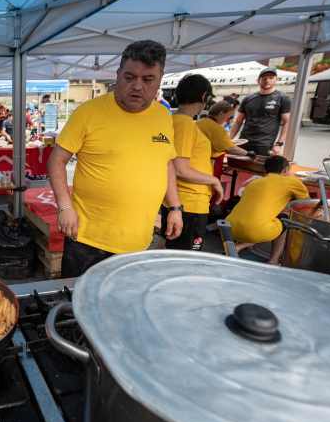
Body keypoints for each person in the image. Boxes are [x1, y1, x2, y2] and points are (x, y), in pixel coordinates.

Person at [47, 40, 183, 277]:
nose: (137, 86)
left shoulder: (163, 115)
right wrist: (64, 206)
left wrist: (175, 207)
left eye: (148, 79)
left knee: (122, 306)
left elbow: (166, 162)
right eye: (129, 77)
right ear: (118, 75)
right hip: (88, 240)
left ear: (160, 80)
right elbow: (56, 160)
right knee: (77, 306)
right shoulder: (88, 112)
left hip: (138, 240)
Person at [165, 74, 223, 251]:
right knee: (186, 258)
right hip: (189, 204)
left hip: (183, 202)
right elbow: (180, 168)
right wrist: (214, 181)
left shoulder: (173, 120)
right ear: (204, 96)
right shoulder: (184, 124)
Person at [226, 156, 309, 264]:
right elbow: (306, 204)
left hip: (228, 227)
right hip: (255, 230)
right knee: (285, 220)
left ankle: (240, 245)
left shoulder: (255, 182)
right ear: (285, 170)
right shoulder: (292, 181)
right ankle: (273, 260)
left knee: (261, 219)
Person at [230, 67, 291, 156]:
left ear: (276, 80)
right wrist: (229, 139)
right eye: (264, 78)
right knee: (238, 167)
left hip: (265, 144)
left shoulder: (282, 98)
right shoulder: (248, 99)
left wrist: (279, 144)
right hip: (244, 141)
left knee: (259, 169)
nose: (267, 80)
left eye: (271, 78)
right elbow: (238, 121)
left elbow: (287, 122)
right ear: (258, 80)